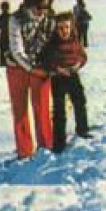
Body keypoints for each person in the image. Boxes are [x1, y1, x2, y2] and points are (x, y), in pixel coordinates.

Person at [5, 0, 56, 159]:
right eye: (39, 7)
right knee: (20, 111)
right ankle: (24, 151)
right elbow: (16, 50)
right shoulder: (16, 19)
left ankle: (46, 148)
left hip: (41, 68)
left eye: (46, 7)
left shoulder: (50, 19)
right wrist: (31, 69)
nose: (42, 11)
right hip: (17, 68)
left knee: (42, 108)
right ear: (29, 5)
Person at [39, 12, 90, 151]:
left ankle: (82, 130)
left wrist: (78, 64)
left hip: (73, 75)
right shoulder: (52, 45)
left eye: (66, 27)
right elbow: (45, 60)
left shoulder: (75, 41)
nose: (64, 31)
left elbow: (83, 56)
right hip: (58, 78)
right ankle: (59, 142)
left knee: (80, 102)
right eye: (60, 28)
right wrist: (57, 68)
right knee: (59, 110)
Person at [0, 2, 11, 68]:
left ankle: (2, 62)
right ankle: (7, 62)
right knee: (8, 49)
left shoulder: (0, 17)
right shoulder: (11, 16)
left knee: (3, 50)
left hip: (3, 34)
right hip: (8, 35)